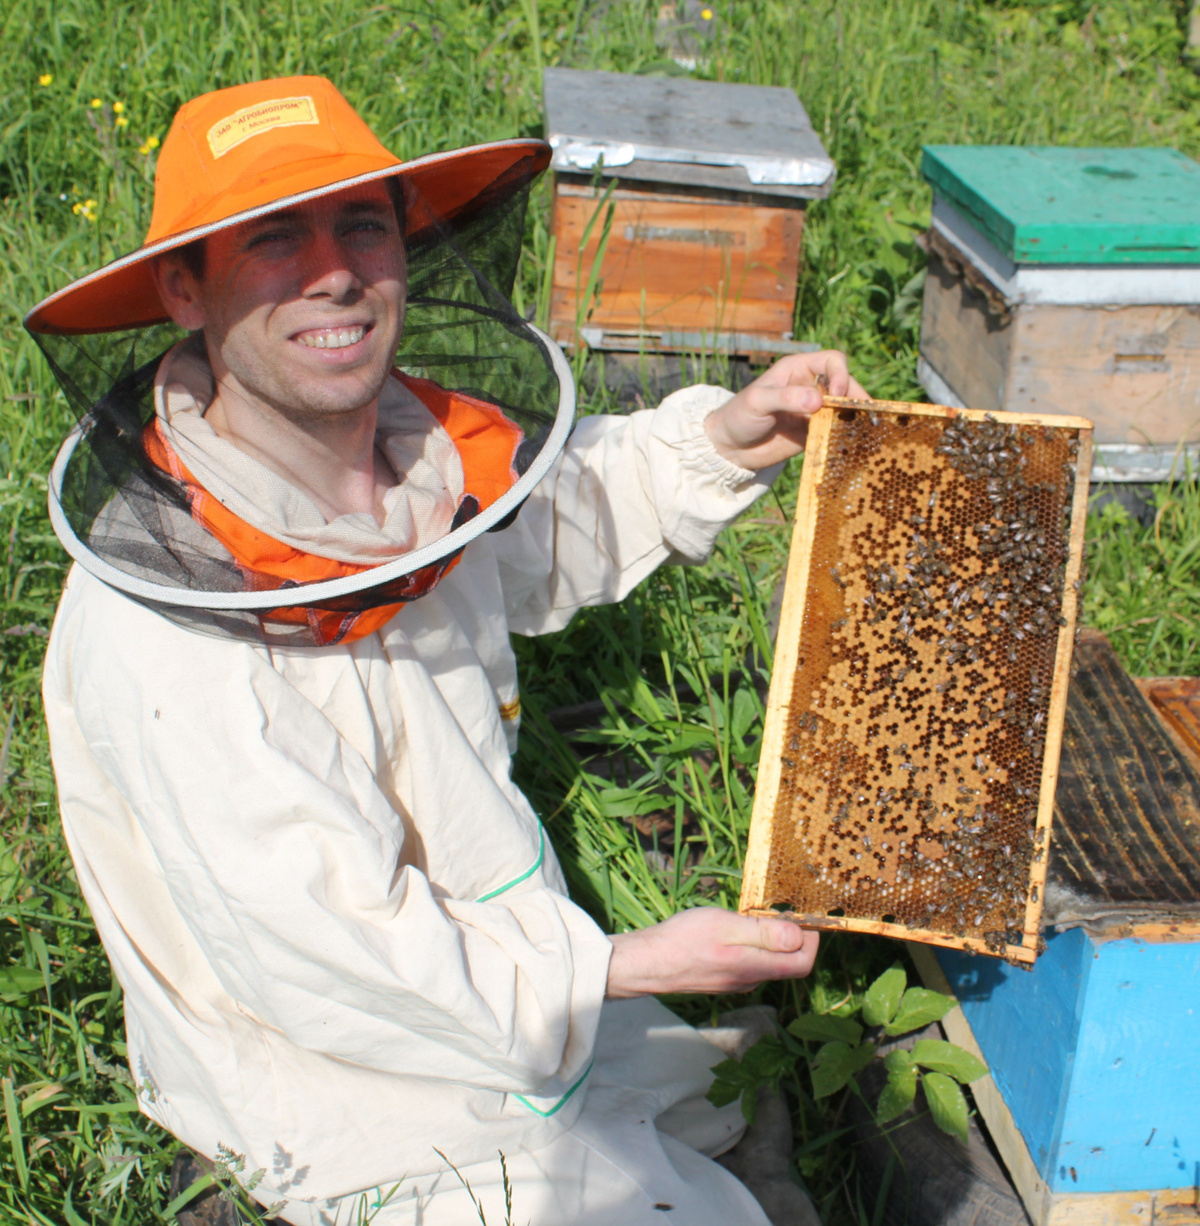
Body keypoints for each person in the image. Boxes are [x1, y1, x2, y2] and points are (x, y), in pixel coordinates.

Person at [31, 75, 866, 1225]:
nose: (336, 271)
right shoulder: (163, 629)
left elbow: (545, 527)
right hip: (321, 1049)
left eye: (363, 224)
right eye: (275, 240)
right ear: (184, 287)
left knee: (713, 1097)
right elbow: (323, 945)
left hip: (491, 954)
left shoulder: (409, 460)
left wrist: (726, 436)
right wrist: (614, 965)